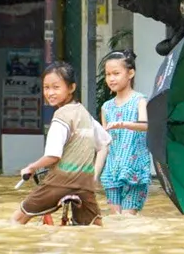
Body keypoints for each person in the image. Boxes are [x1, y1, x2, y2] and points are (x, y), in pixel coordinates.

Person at [12, 61, 111, 226]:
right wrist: (93, 176)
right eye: (46, 87)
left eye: (56, 87)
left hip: (60, 182)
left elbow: (53, 156)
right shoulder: (85, 114)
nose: (50, 93)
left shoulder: (61, 117)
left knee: (16, 220)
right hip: (85, 185)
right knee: (94, 227)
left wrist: (31, 168)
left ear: (71, 88)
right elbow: (104, 144)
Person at [99, 48, 152, 215]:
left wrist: (124, 124)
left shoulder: (139, 100)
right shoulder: (106, 107)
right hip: (112, 170)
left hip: (135, 169)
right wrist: (94, 174)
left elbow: (145, 125)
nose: (111, 78)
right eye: (108, 74)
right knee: (115, 220)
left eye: (116, 73)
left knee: (128, 220)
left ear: (130, 73)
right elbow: (104, 144)